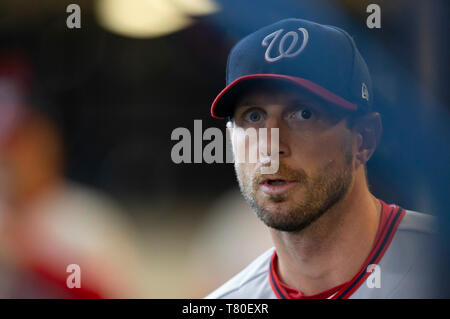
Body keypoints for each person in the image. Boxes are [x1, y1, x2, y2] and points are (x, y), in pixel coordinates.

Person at [206, 18, 438, 299]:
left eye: (304, 114)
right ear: (231, 139)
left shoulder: (438, 266)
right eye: (253, 116)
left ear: (364, 139)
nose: (271, 146)